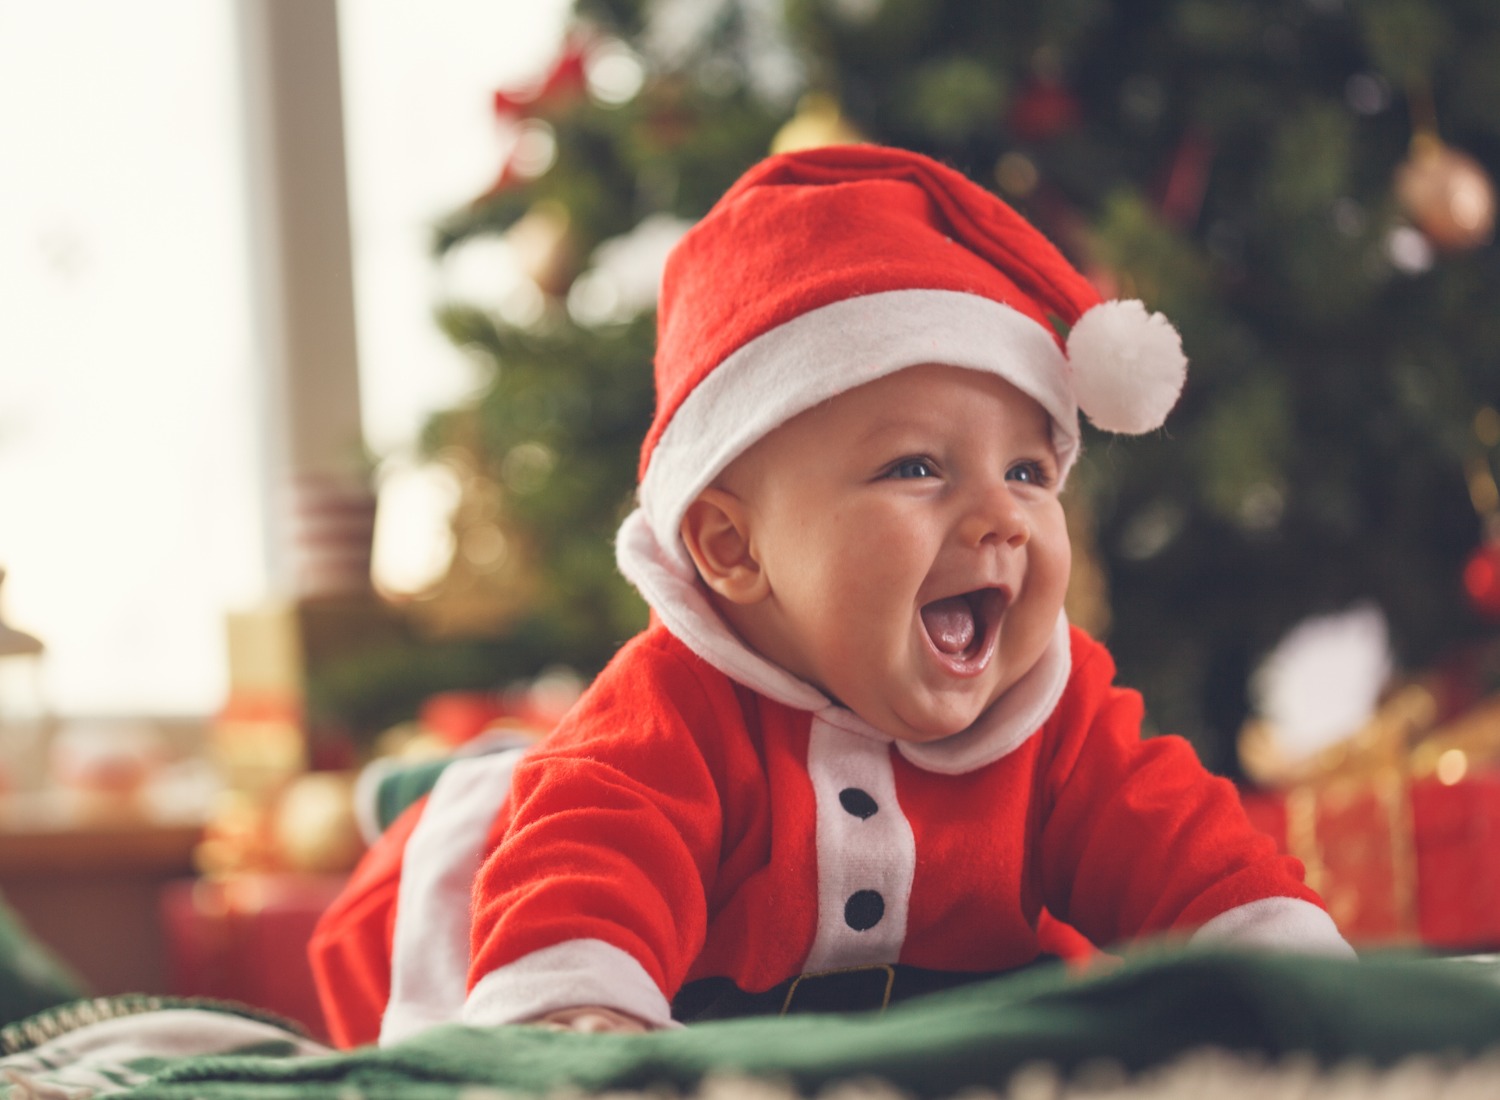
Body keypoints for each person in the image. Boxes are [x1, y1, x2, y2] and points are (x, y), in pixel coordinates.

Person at [309, 144, 1353, 1049]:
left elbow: (1191, 854)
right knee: (475, 848)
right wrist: (580, 1011)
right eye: (917, 467)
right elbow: (591, 862)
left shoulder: (1053, 711)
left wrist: (1289, 966)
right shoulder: (671, 709)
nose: (1002, 516)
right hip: (505, 880)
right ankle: (431, 792)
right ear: (733, 546)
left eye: (1031, 473)